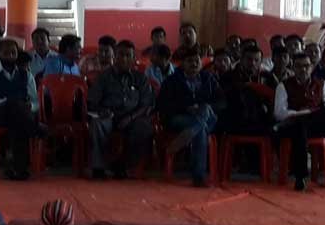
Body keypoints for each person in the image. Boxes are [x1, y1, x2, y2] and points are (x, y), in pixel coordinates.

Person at [88, 40, 154, 179]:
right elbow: (92, 101)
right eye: (120, 55)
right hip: (109, 115)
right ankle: (99, 168)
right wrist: (102, 111)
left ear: (133, 58)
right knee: (97, 124)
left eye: (128, 55)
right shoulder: (104, 77)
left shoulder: (140, 78)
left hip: (132, 117)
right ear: (115, 56)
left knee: (144, 127)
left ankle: (123, 165)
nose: (124, 58)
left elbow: (146, 104)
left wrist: (130, 118)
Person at [157, 52, 224, 186]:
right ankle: (198, 177)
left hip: (206, 117)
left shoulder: (209, 79)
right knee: (201, 129)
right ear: (182, 64)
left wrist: (205, 107)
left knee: (205, 109)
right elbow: (163, 105)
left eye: (197, 61)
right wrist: (187, 108)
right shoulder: (171, 81)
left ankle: (191, 132)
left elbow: (222, 102)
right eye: (189, 61)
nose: (194, 64)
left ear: (201, 63)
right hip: (180, 118)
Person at [274, 51, 325, 192]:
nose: (303, 69)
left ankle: (300, 176)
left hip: (316, 126)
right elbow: (279, 113)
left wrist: (304, 114)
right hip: (293, 127)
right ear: (292, 67)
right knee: (300, 128)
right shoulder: (283, 86)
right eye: (298, 66)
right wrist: (307, 113)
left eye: (306, 66)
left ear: (312, 67)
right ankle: (300, 176)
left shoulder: (322, 85)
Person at [0, 38, 41, 181]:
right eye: (6, 53)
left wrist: (30, 106)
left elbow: (35, 101)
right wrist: (6, 102)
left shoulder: (27, 75)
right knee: (15, 107)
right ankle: (35, 128)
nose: (10, 56)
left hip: (20, 114)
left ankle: (17, 169)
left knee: (17, 118)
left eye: (13, 53)